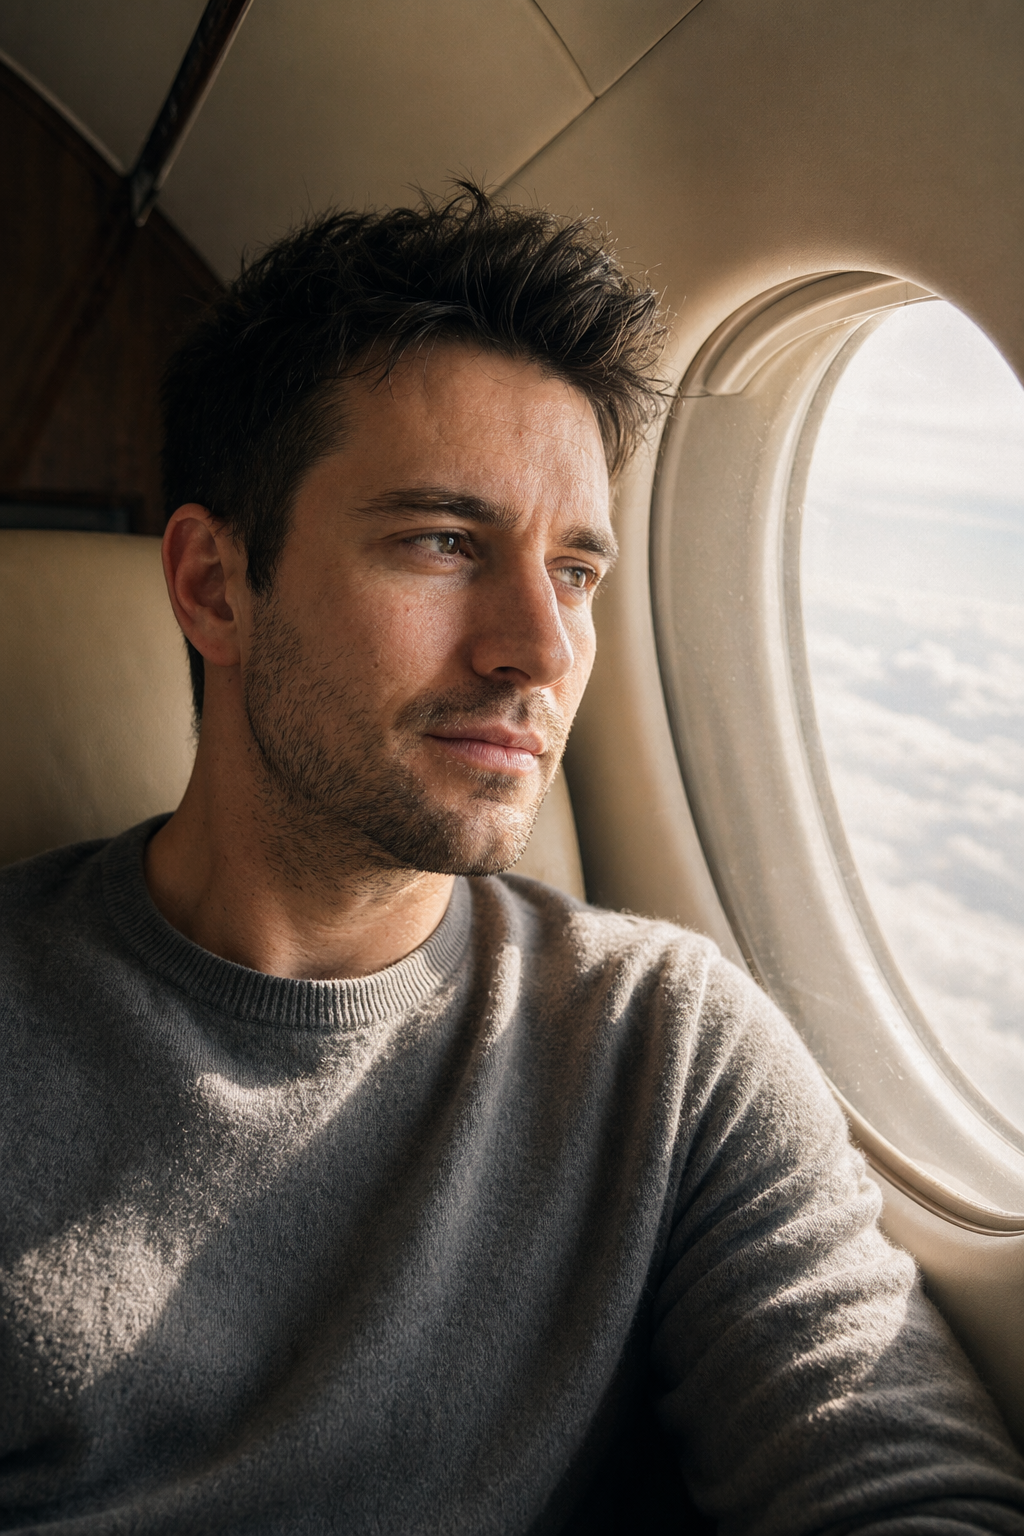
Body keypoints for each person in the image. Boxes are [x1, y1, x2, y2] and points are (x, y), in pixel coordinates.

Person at [1, 185, 1022, 1536]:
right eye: (442, 541)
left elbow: (906, 1491)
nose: (539, 648)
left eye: (580, 571)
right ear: (214, 587)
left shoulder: (667, 1049)